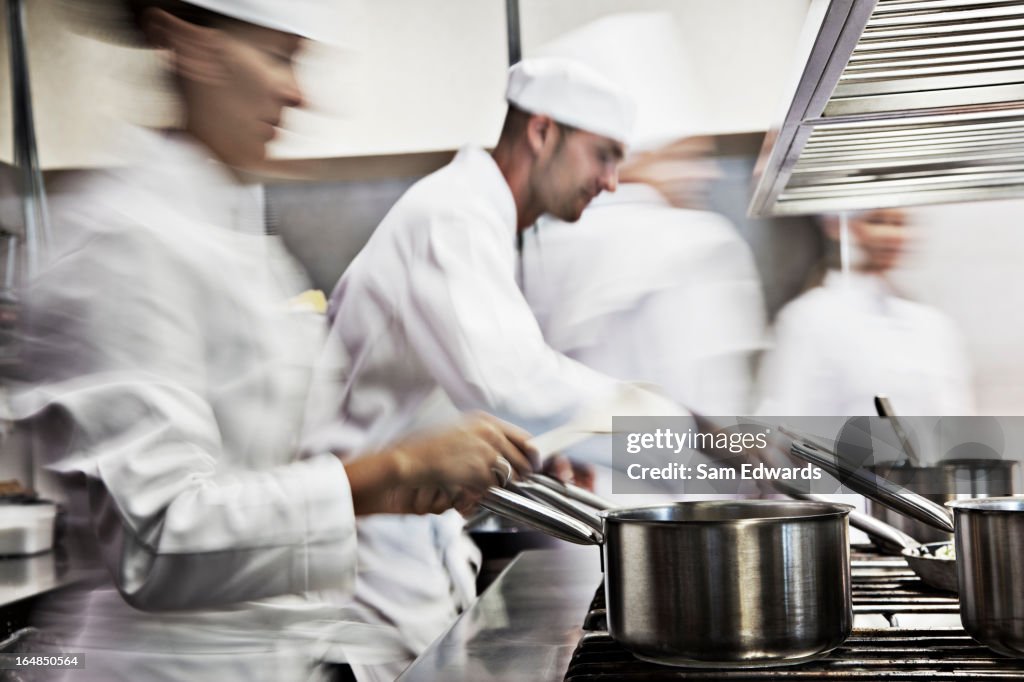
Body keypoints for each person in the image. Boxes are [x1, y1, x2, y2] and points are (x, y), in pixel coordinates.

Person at [3, 2, 534, 680]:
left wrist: (423, 474)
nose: (298, 92)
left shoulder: (237, 244)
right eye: (279, 56)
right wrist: (393, 473)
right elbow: (159, 542)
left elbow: (277, 474)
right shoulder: (120, 241)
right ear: (186, 43)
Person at [301, 57, 643, 679]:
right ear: (541, 133)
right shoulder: (449, 216)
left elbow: (472, 395)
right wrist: (700, 436)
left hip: (409, 559)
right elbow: (517, 385)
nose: (613, 181)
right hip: (366, 577)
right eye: (604, 155)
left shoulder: (475, 220)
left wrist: (541, 454)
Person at [756, 208, 974, 417]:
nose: (891, 235)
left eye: (900, 223)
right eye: (877, 221)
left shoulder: (932, 325)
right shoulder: (810, 319)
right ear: (838, 227)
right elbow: (788, 422)